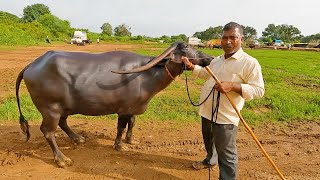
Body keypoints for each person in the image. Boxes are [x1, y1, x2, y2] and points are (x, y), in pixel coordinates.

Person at [182, 22, 265, 180]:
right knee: (209, 140)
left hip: (225, 116)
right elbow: (209, 74)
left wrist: (233, 86)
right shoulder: (217, 60)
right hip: (207, 110)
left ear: (241, 38)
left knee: (227, 154)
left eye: (233, 37)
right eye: (224, 37)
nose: (228, 41)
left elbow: (259, 90)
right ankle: (210, 160)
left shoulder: (249, 63)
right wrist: (192, 67)